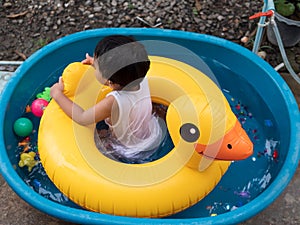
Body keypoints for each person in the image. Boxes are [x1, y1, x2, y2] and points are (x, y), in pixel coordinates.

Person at [50, 35, 163, 163]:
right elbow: (119, 78)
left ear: (110, 82)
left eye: (97, 66)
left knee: (99, 141)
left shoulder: (113, 102)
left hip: (129, 150)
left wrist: (58, 94)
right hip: (152, 135)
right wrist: (98, 64)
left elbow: (83, 118)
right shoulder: (139, 78)